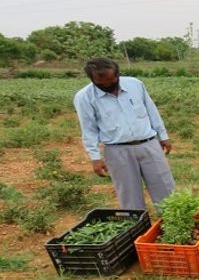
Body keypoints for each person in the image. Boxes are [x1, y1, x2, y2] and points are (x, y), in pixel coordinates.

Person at [73, 57, 176, 211]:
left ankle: (172, 223)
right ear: (92, 79)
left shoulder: (135, 84)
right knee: (129, 196)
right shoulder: (84, 97)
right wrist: (95, 158)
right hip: (117, 151)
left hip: (149, 144)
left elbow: (151, 110)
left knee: (165, 188)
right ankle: (137, 229)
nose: (108, 85)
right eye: (102, 83)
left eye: (112, 80)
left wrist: (163, 136)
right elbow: (89, 129)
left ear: (117, 74)